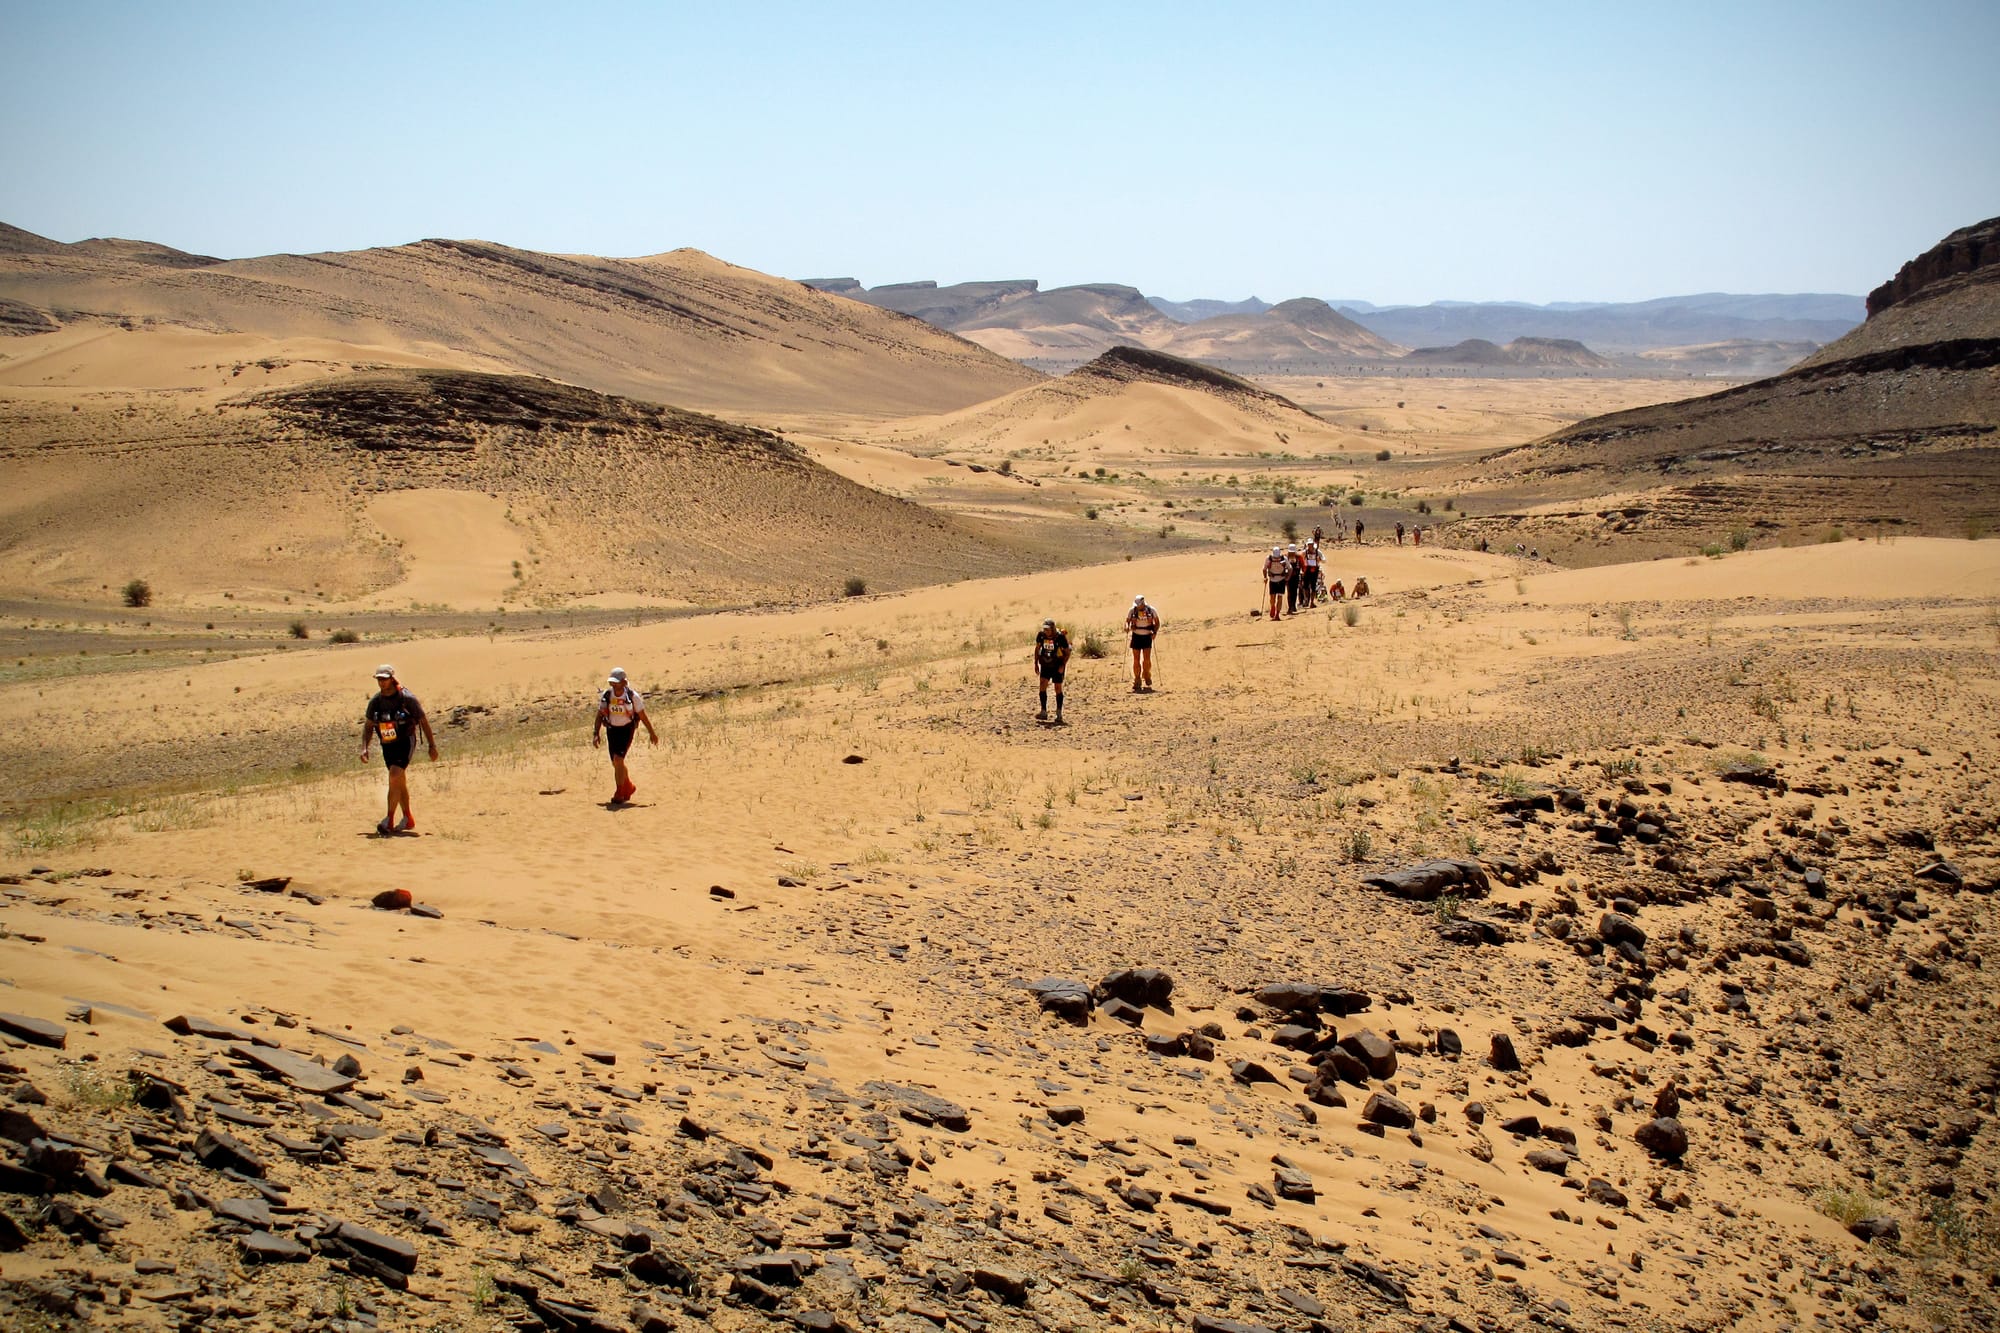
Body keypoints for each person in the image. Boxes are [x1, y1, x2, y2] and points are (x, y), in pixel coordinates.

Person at [360, 664, 436, 835]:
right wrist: (364, 748)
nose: (381, 682)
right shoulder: (376, 702)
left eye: (384, 678)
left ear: (392, 678)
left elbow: (423, 721)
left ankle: (389, 820)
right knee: (398, 780)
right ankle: (408, 818)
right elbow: (368, 726)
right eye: (379, 678)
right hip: (387, 745)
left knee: (394, 775)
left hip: (405, 742)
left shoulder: (406, 698)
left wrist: (432, 745)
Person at [593, 666, 657, 803]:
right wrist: (596, 733)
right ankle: (629, 787)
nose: (614, 685)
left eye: (617, 682)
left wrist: (652, 733)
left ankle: (619, 792)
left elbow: (643, 716)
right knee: (616, 764)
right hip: (611, 730)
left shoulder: (633, 697)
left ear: (624, 682)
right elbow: (599, 716)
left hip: (626, 730)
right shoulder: (607, 696)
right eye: (612, 683)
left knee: (618, 759)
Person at [1031, 619, 1070, 722]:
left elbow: (1067, 652)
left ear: (1052, 629)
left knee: (1058, 687)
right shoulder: (1041, 636)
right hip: (1045, 664)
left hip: (1057, 665)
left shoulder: (1060, 637)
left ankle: (1059, 713)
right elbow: (1037, 648)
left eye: (1048, 629)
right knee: (1043, 684)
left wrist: (1062, 665)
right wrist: (1035, 663)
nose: (1046, 631)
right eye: (1044, 629)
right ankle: (1043, 711)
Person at [1126, 595, 1160, 691]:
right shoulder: (1132, 611)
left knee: (1146, 659)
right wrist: (1126, 627)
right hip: (1136, 636)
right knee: (1136, 659)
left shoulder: (1151, 610)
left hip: (1147, 636)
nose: (1137, 607)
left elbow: (1157, 623)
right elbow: (1127, 621)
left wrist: (1155, 633)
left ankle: (1147, 674)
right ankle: (1137, 679)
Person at [1262, 546, 1289, 621]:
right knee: (1272, 597)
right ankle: (1273, 606)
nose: (1276, 559)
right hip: (1272, 580)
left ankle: (1277, 614)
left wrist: (1287, 578)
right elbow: (1264, 568)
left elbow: (1289, 568)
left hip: (1281, 580)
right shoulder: (1269, 558)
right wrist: (1265, 577)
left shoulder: (1284, 559)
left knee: (1280, 597)